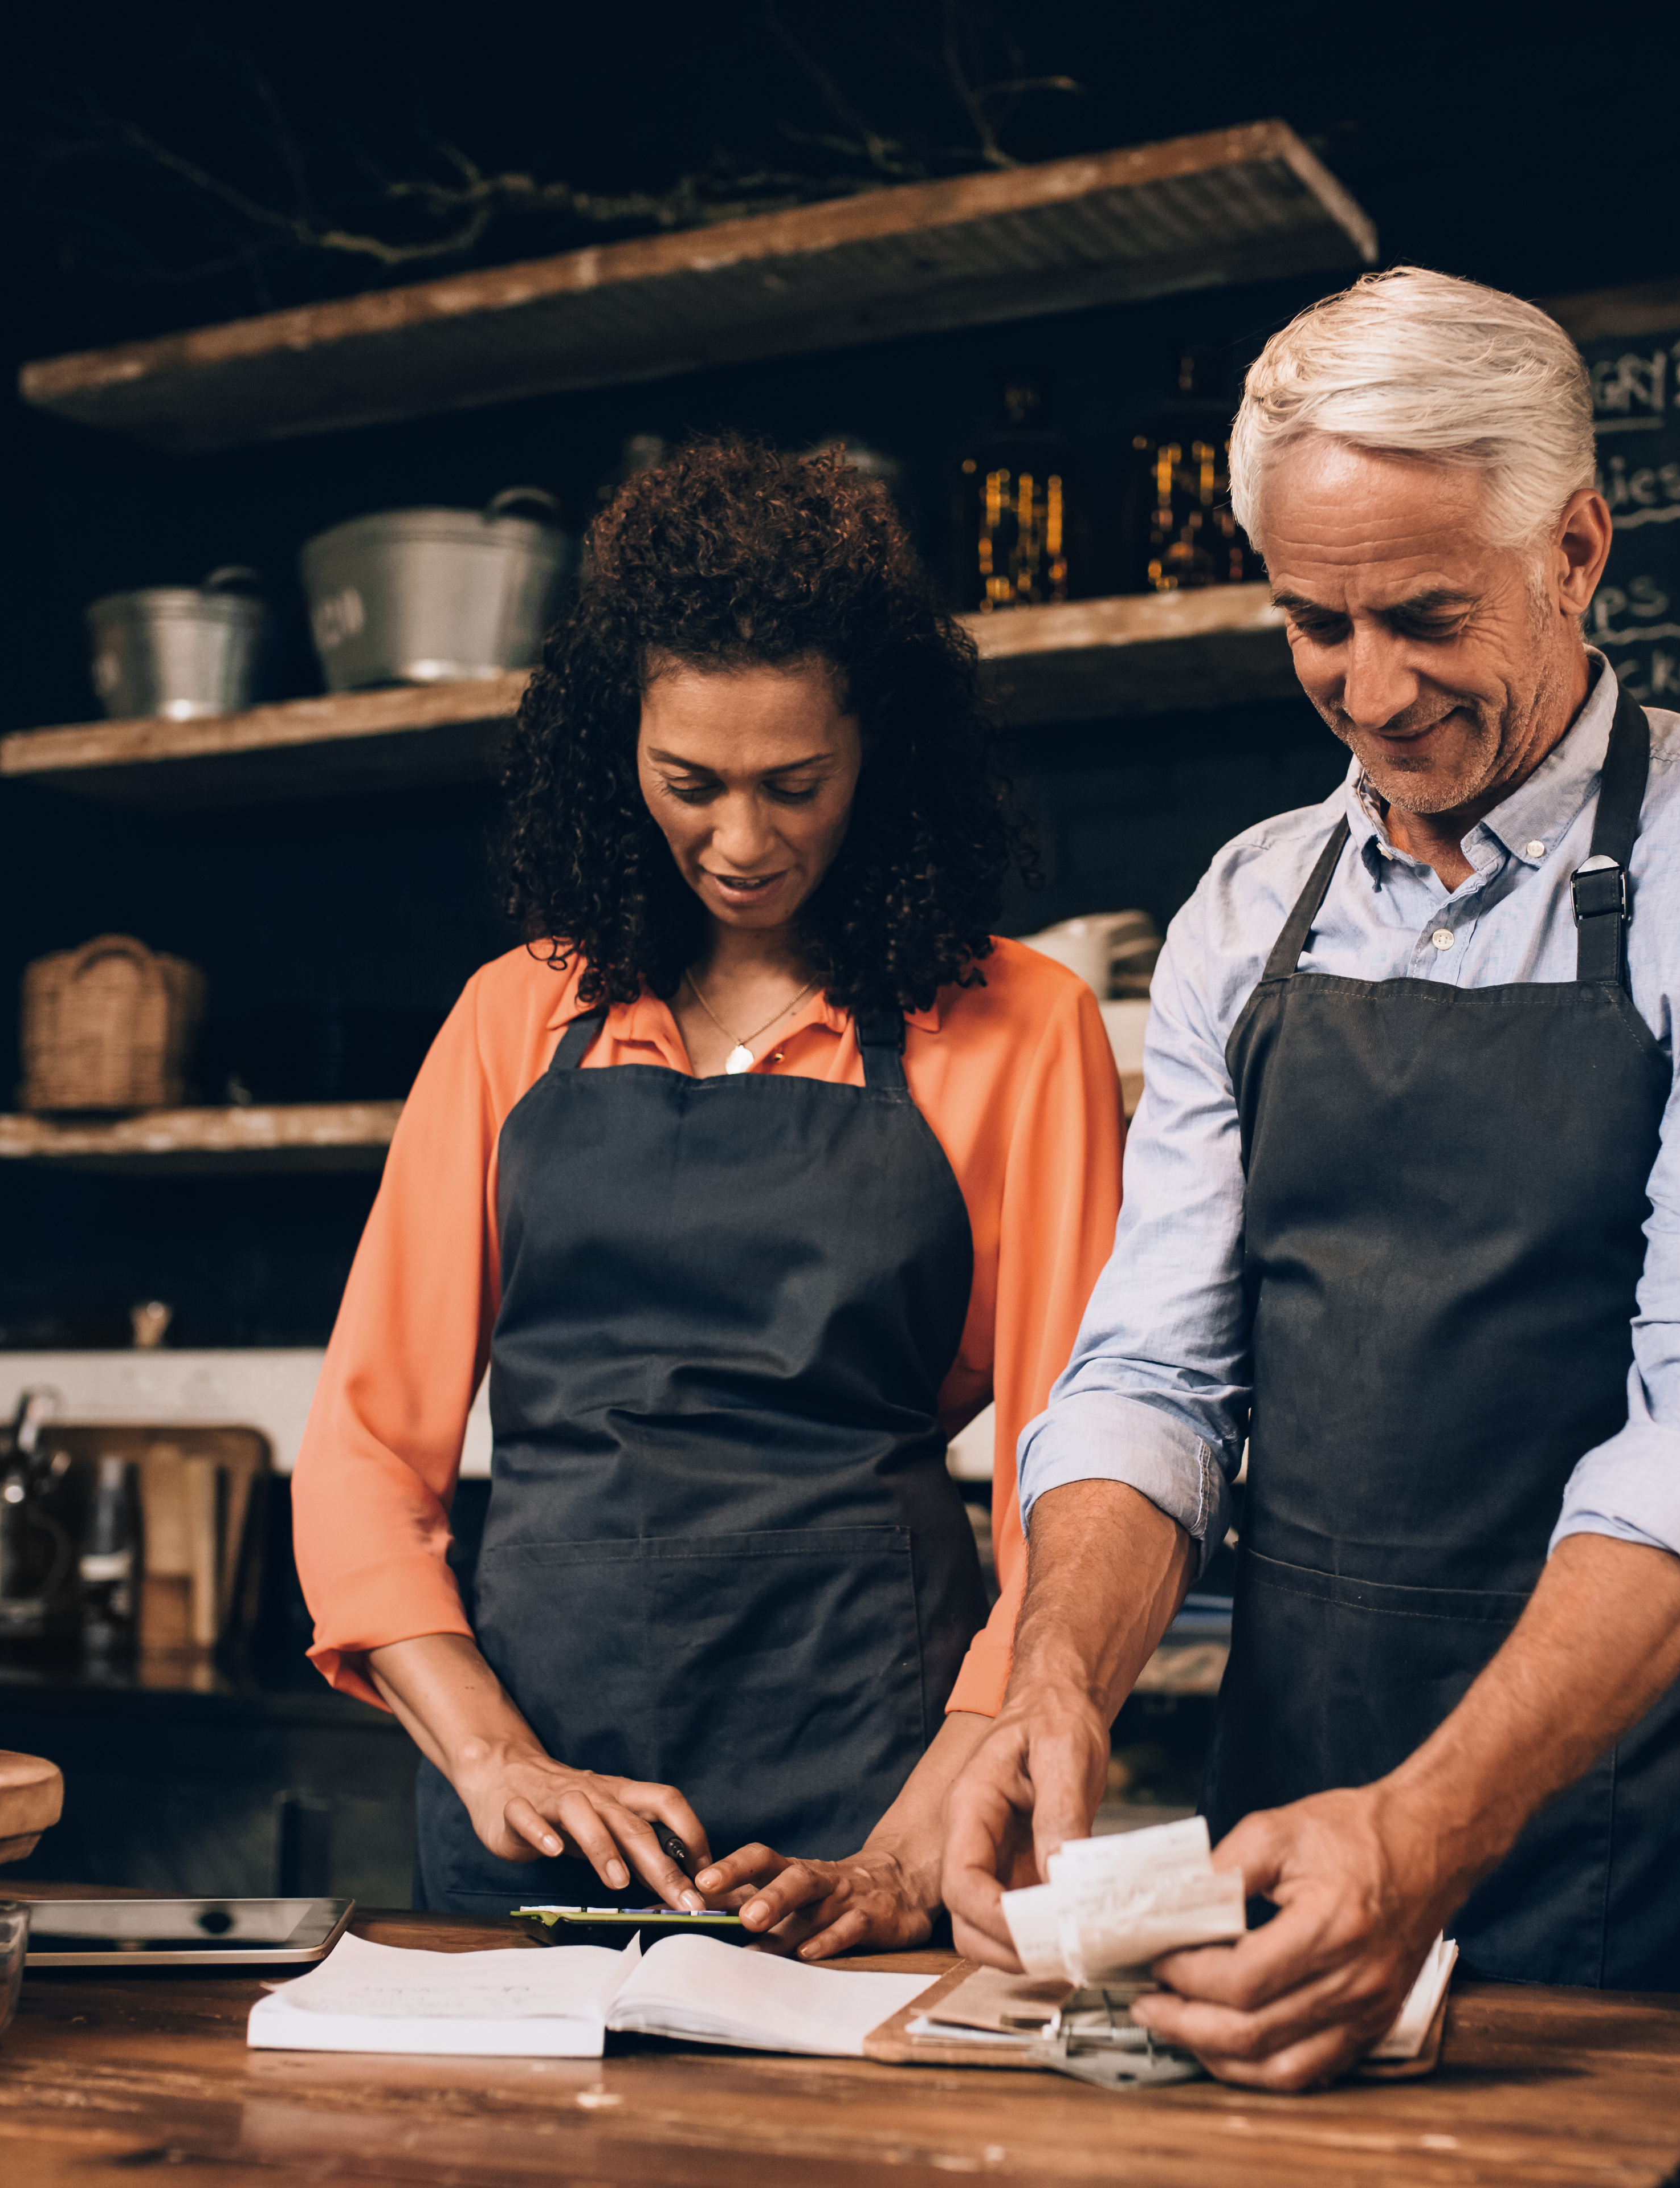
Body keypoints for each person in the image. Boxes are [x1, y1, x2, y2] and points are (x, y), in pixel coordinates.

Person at [941, 268, 1680, 2085]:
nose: (1369, 692)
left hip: (1639, 1816)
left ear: (1575, 548)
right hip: (1291, 1800)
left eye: (1427, 615)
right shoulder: (1244, 906)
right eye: (1314, 621)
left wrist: (1439, 1821)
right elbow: (1153, 1377)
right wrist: (1048, 1678)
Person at [296, 438, 1124, 1952]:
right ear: (616, 754)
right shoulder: (512, 1018)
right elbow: (362, 1453)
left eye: (793, 785)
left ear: (883, 759)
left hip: (877, 1784)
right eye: (690, 784)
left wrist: (912, 1841)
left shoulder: (1024, 1027)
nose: (740, 843)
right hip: (540, 1791)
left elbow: (1068, 1503)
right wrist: (491, 1753)